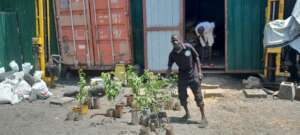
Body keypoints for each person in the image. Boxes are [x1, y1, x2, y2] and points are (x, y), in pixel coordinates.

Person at [166, 34, 208, 128]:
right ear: (171, 43)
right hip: (182, 75)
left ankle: (203, 117)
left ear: (180, 40)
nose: (174, 42)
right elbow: (169, 67)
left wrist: (200, 72)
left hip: (193, 74)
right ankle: (187, 114)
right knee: (182, 96)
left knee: (198, 96)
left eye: (176, 40)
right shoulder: (172, 54)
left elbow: (196, 57)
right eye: (173, 41)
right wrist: (167, 75)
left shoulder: (188, 47)